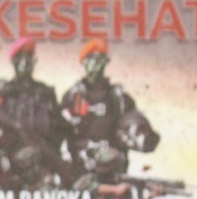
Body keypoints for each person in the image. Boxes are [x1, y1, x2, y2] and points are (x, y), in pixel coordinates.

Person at [59, 36, 160, 190]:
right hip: (82, 169)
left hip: (113, 169)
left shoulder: (118, 96)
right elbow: (61, 131)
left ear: (106, 62)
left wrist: (143, 135)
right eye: (91, 59)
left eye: (100, 59)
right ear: (84, 62)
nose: (95, 64)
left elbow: (133, 122)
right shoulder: (73, 96)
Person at [0, 37, 66, 183]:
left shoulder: (45, 91)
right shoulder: (4, 90)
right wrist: (15, 125)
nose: (27, 64)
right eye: (22, 60)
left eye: (29, 60)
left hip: (40, 154)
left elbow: (59, 125)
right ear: (14, 63)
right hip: (10, 157)